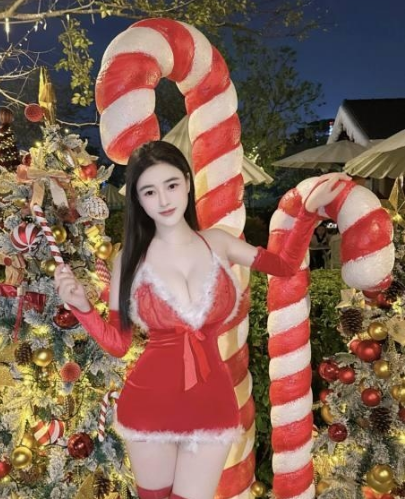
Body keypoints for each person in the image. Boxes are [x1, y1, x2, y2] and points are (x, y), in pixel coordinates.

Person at [55, 141, 349, 499]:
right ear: (138, 200)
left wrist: (307, 213)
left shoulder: (218, 243)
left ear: (187, 183)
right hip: (149, 401)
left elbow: (284, 266)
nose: (164, 200)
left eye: (171, 185)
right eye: (150, 191)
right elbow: (119, 344)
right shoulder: (129, 261)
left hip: (211, 400)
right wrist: (82, 308)